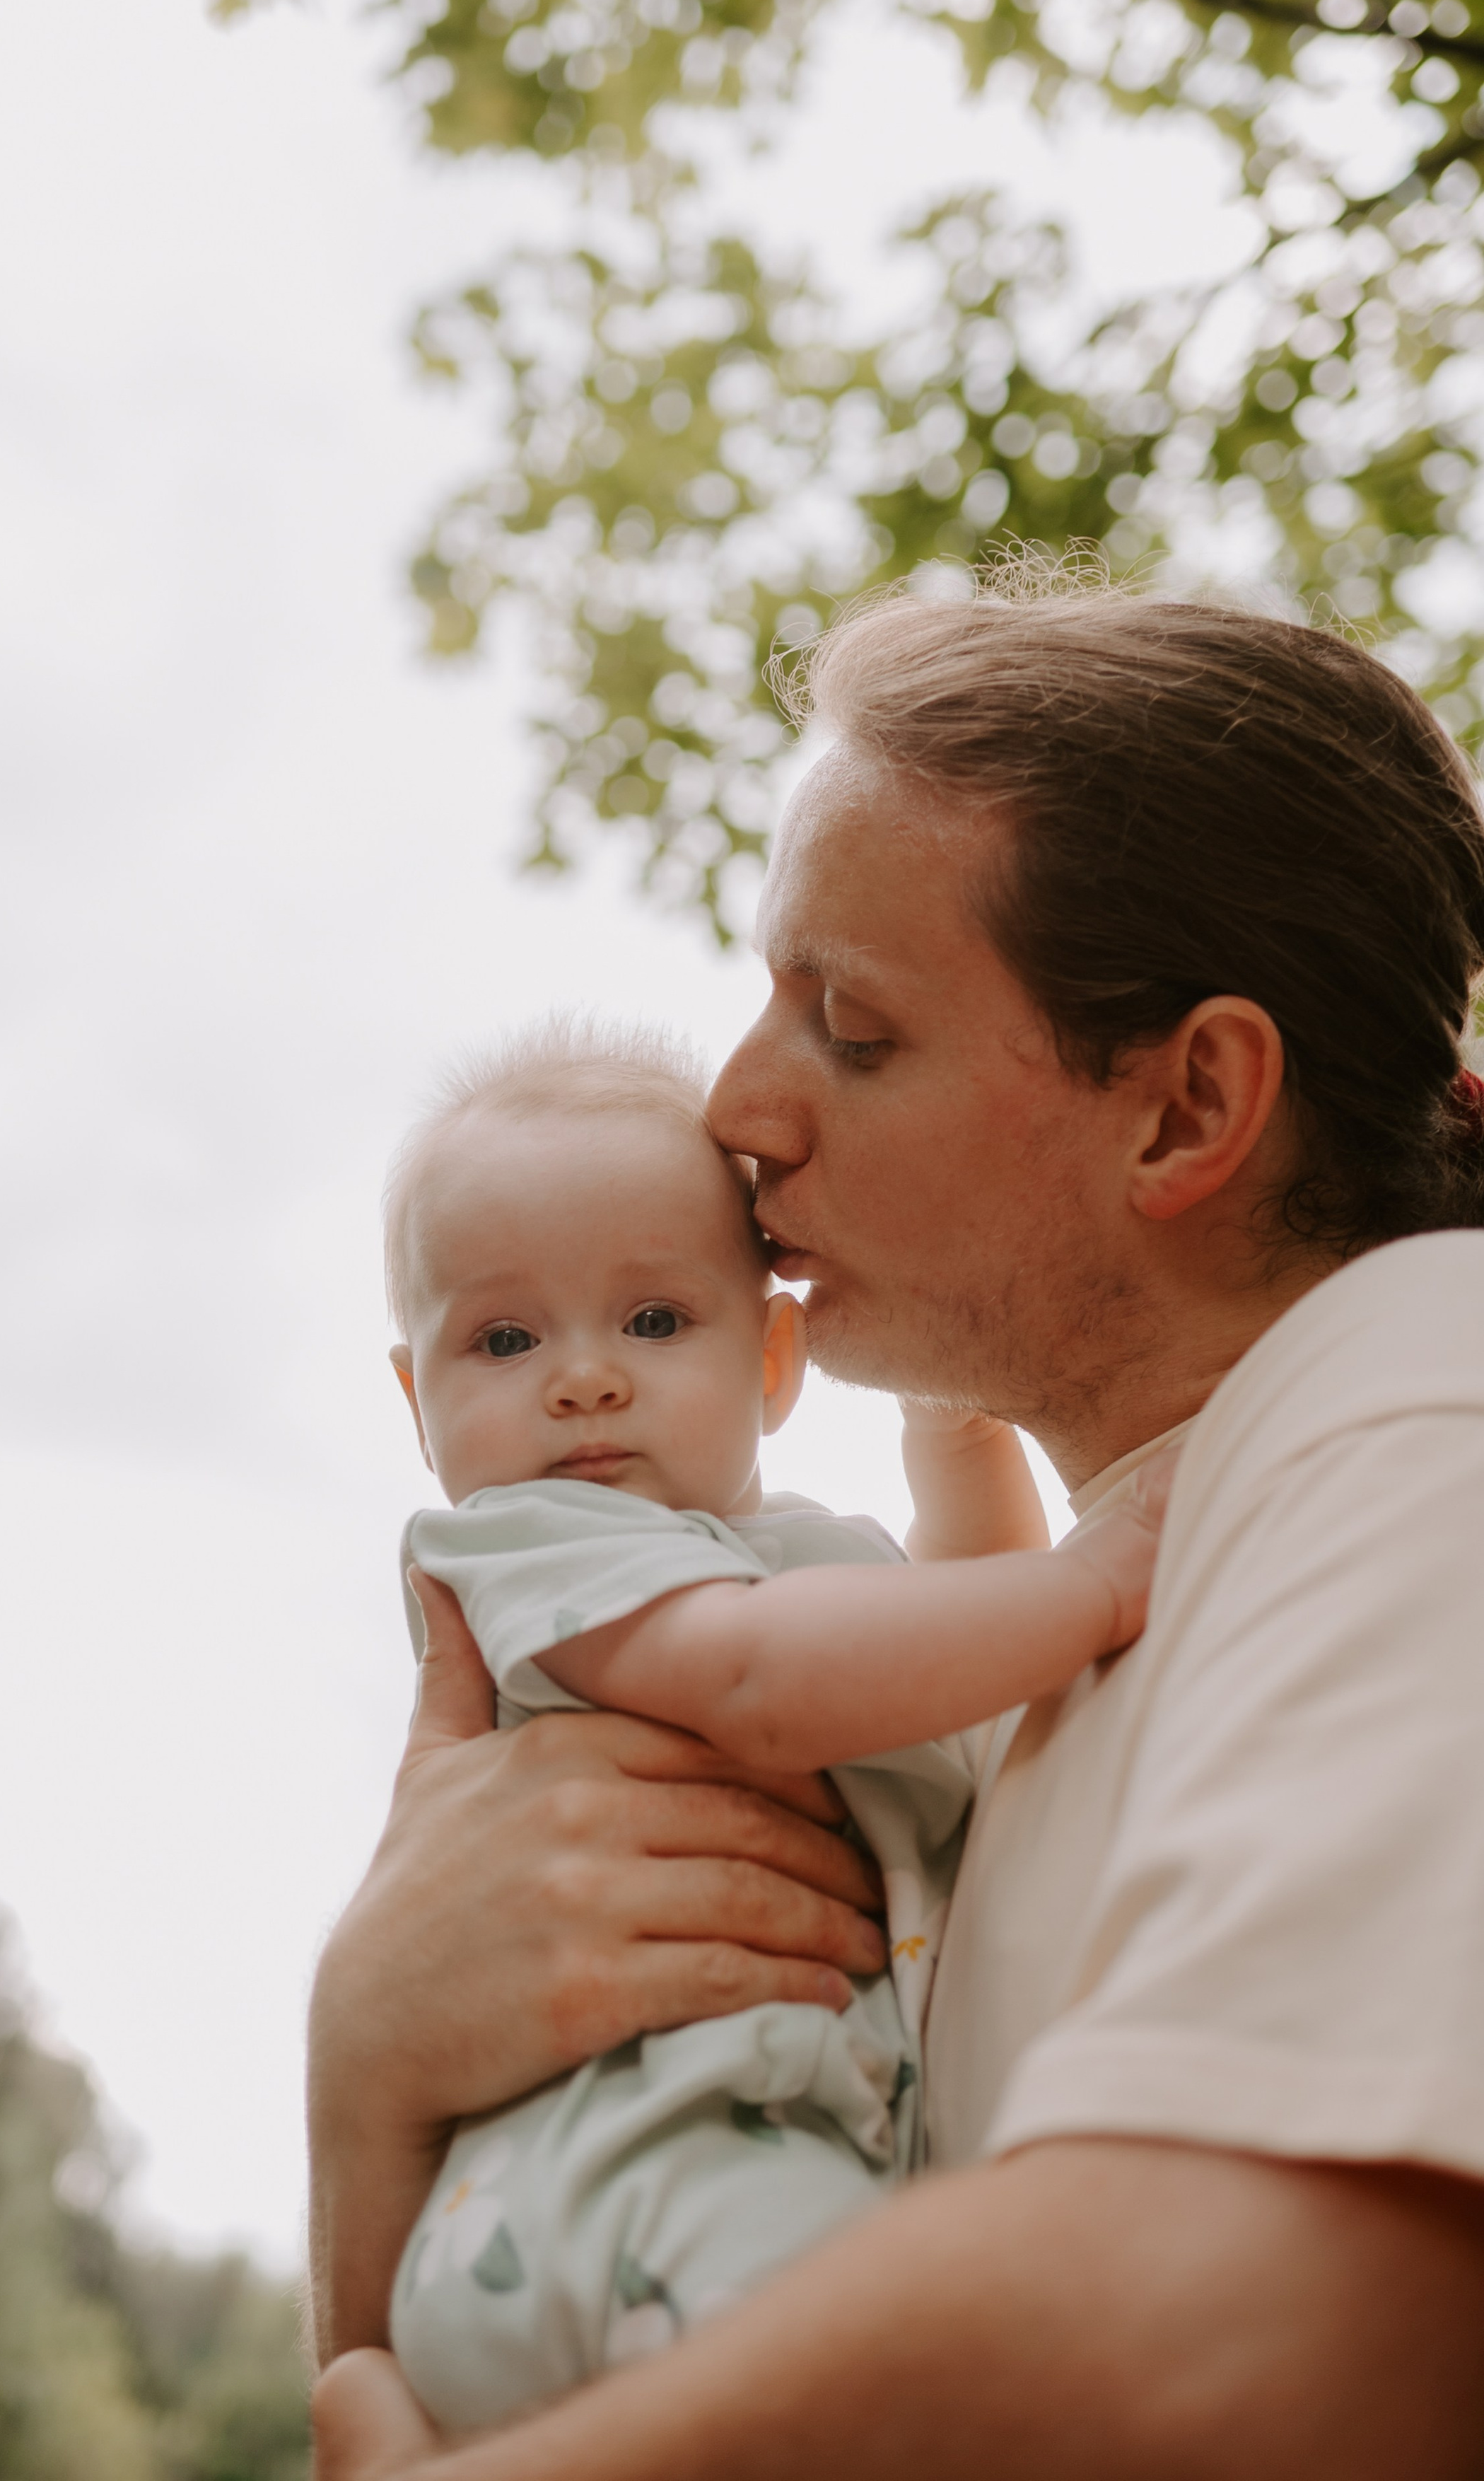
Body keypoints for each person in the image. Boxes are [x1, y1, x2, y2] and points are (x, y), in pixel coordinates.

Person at [308, 580, 1484, 2479]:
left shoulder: (1428, 1405)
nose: (737, 1103)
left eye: (849, 1027)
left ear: (1189, 1107)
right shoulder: (1105, 1600)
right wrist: (372, 2069)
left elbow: (1276, 2325)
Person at [380, 1016, 1164, 2429]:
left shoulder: (808, 1556)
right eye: (503, 1337)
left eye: (653, 1319)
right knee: (896, 2379)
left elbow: (960, 1645)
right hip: (619, 2180)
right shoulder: (521, 1544)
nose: (582, 1376)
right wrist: (1095, 1578)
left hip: (754, 2151)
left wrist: (959, 1429)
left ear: (773, 1354)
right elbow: (755, 1674)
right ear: (413, 1395)